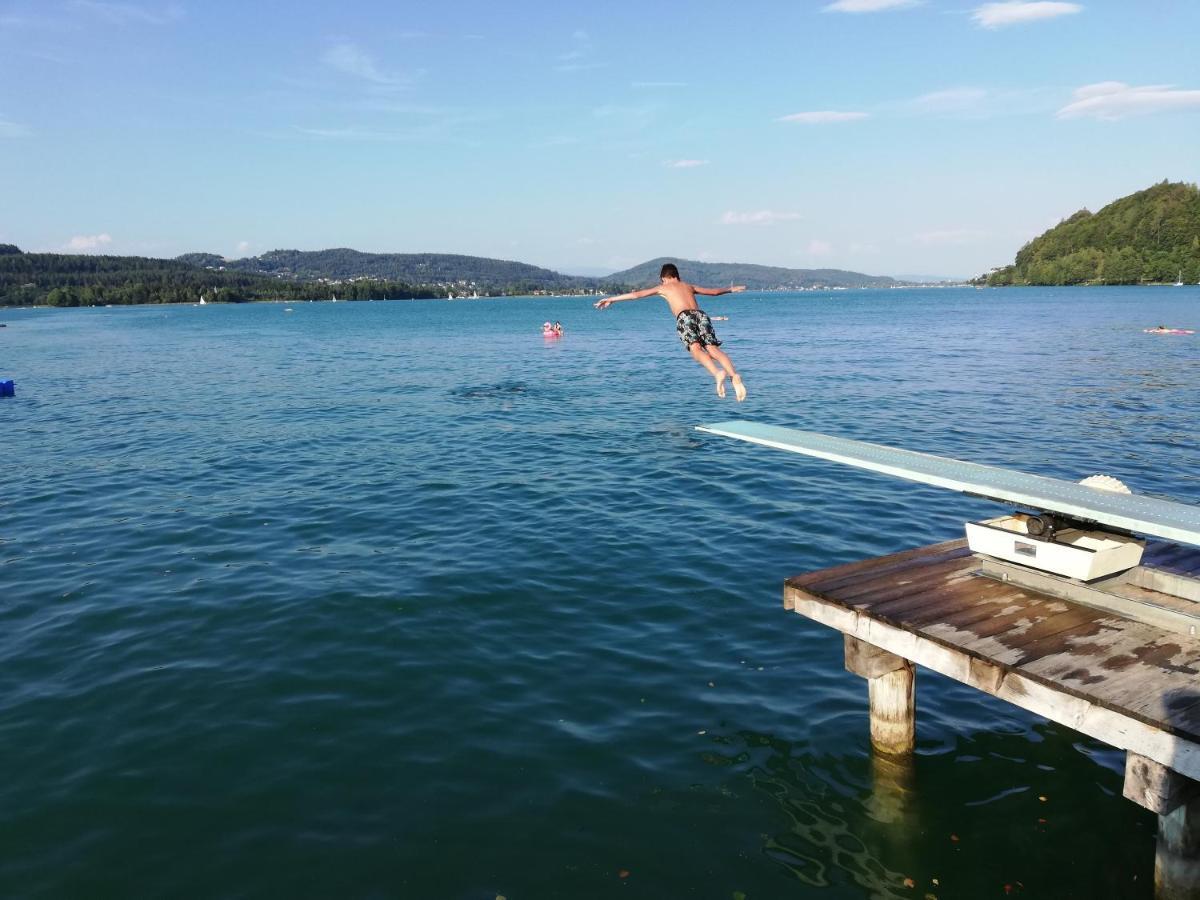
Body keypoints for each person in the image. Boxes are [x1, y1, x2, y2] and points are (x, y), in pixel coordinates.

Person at [594, 262, 747, 400]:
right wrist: (731, 289)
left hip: (684, 317)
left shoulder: (663, 287)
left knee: (695, 350)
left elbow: (636, 295)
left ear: (664, 278)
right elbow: (714, 292)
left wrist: (611, 299)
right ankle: (734, 375)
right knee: (713, 349)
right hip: (701, 315)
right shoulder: (689, 286)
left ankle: (717, 373)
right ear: (677, 276)